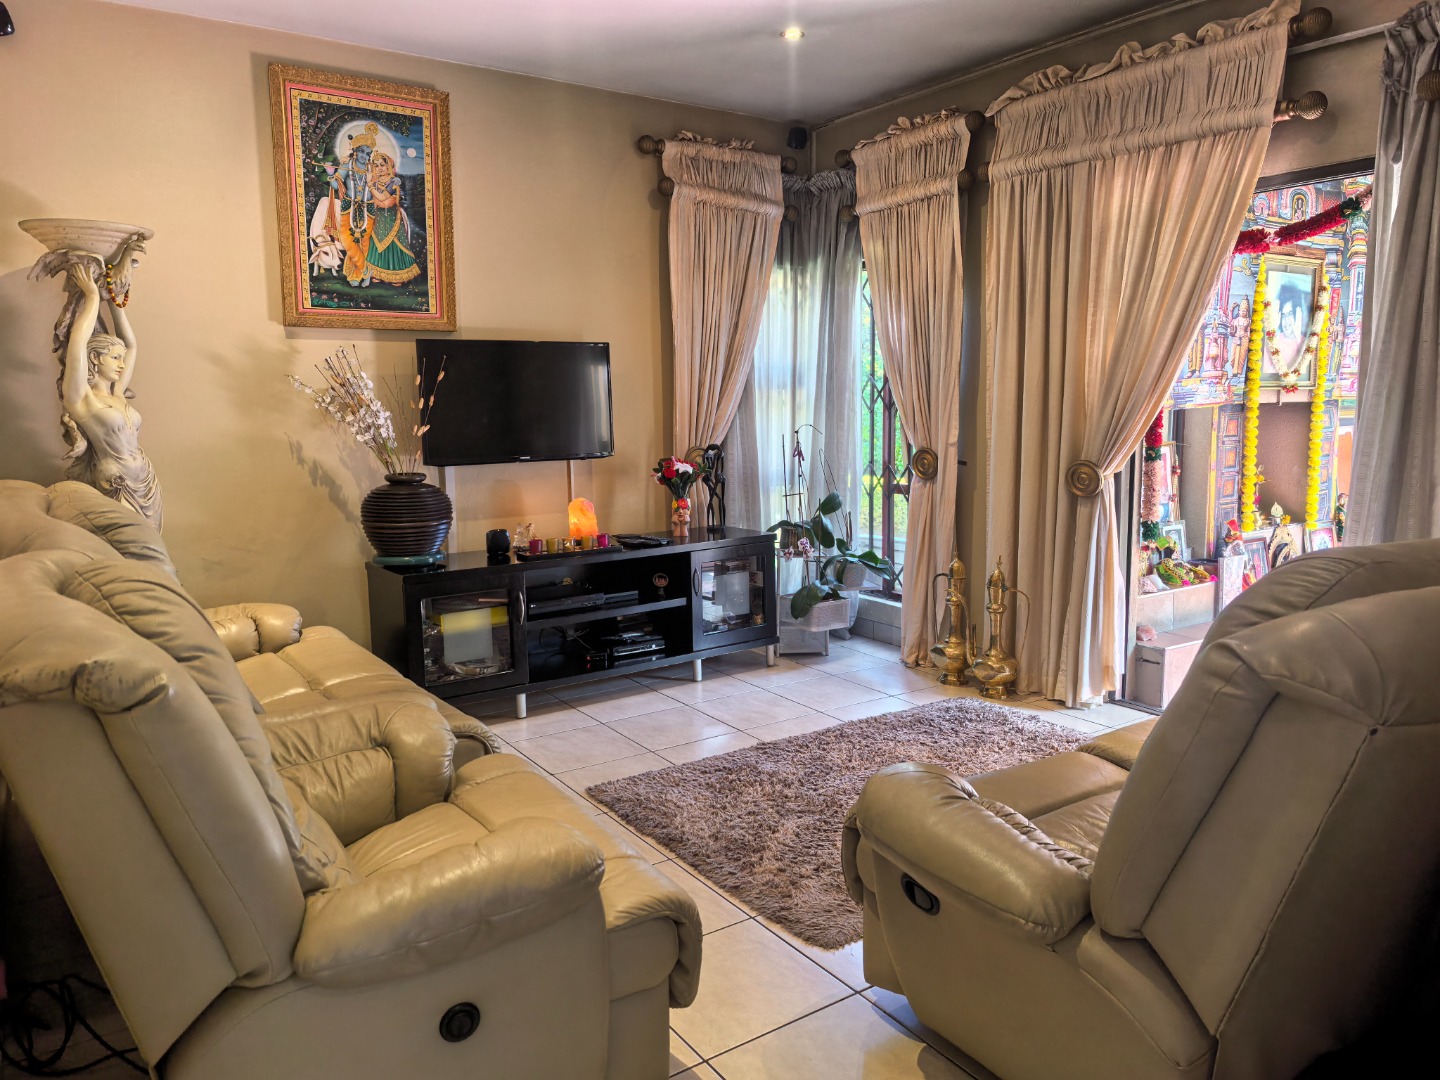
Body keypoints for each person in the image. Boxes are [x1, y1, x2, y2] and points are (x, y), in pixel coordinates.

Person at [62, 262, 163, 528]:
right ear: (95, 358)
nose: (122, 364)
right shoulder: (82, 399)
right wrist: (92, 297)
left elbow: (131, 345)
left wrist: (116, 299)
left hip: (146, 481)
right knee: (128, 544)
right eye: (115, 358)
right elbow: (77, 343)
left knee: (150, 544)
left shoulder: (118, 394)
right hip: (117, 483)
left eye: (121, 359)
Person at [347, 151, 420, 288]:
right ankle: (377, 273)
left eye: (382, 165)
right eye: (376, 165)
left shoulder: (393, 182)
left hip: (391, 219)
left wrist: (370, 185)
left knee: (393, 244)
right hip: (378, 218)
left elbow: (382, 198)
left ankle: (396, 275)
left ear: (388, 167)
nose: (379, 168)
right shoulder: (376, 181)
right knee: (376, 243)